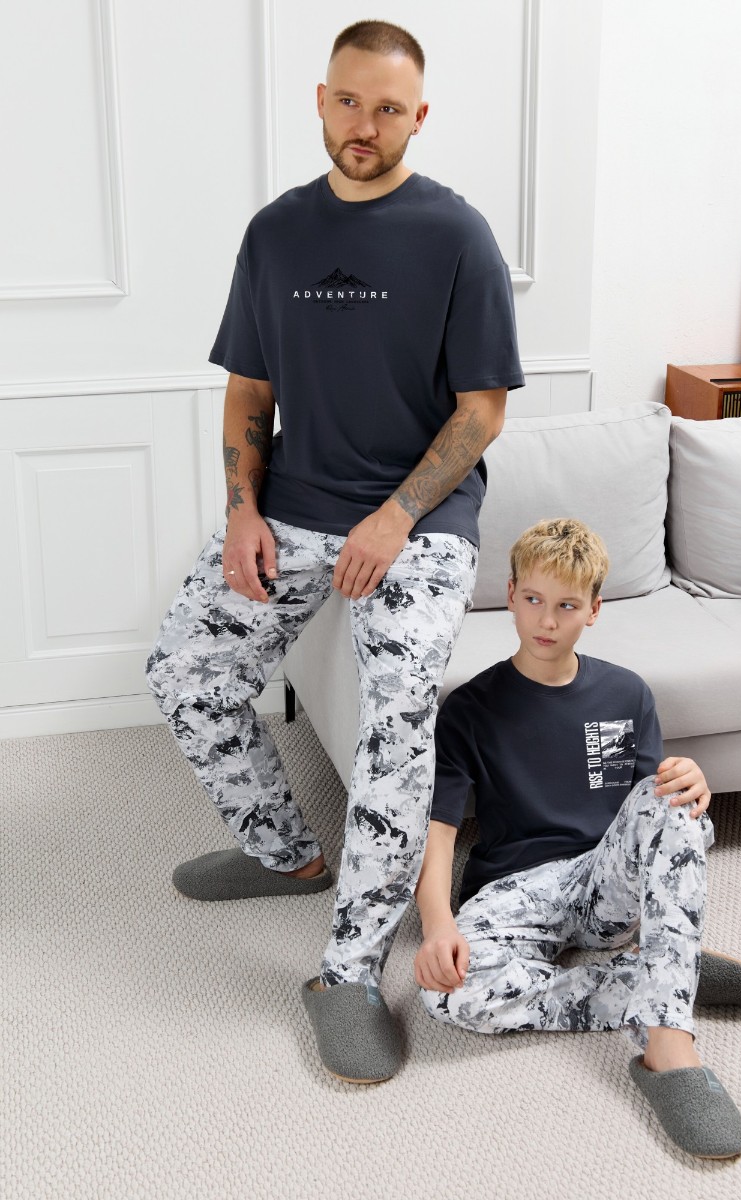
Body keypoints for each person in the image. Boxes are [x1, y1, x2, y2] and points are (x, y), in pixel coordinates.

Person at [145, 19, 524, 1084]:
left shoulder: (457, 236)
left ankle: (348, 973)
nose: (365, 126)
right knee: (184, 671)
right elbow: (248, 390)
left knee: (396, 733)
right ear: (321, 100)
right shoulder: (274, 233)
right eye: (349, 102)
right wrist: (241, 510)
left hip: (418, 524)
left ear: (419, 116)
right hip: (293, 508)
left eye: (388, 109)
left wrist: (396, 516)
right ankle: (286, 853)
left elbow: (482, 410)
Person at [414, 518, 741, 1159]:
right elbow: (439, 831)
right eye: (533, 599)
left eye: (566, 605)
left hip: (604, 880)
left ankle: (669, 1042)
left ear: (594, 609)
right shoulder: (469, 707)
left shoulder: (626, 692)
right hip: (514, 888)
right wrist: (437, 925)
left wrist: (691, 783)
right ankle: (668, 973)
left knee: (674, 802)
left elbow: (655, 818)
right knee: (450, 997)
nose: (545, 620)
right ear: (510, 594)